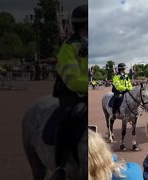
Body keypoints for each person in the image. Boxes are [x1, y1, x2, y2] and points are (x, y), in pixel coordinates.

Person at [52, 4, 88, 179]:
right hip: (71, 95)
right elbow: (73, 81)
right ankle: (60, 166)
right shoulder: (68, 47)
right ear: (86, 25)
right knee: (66, 120)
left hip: (86, 93)